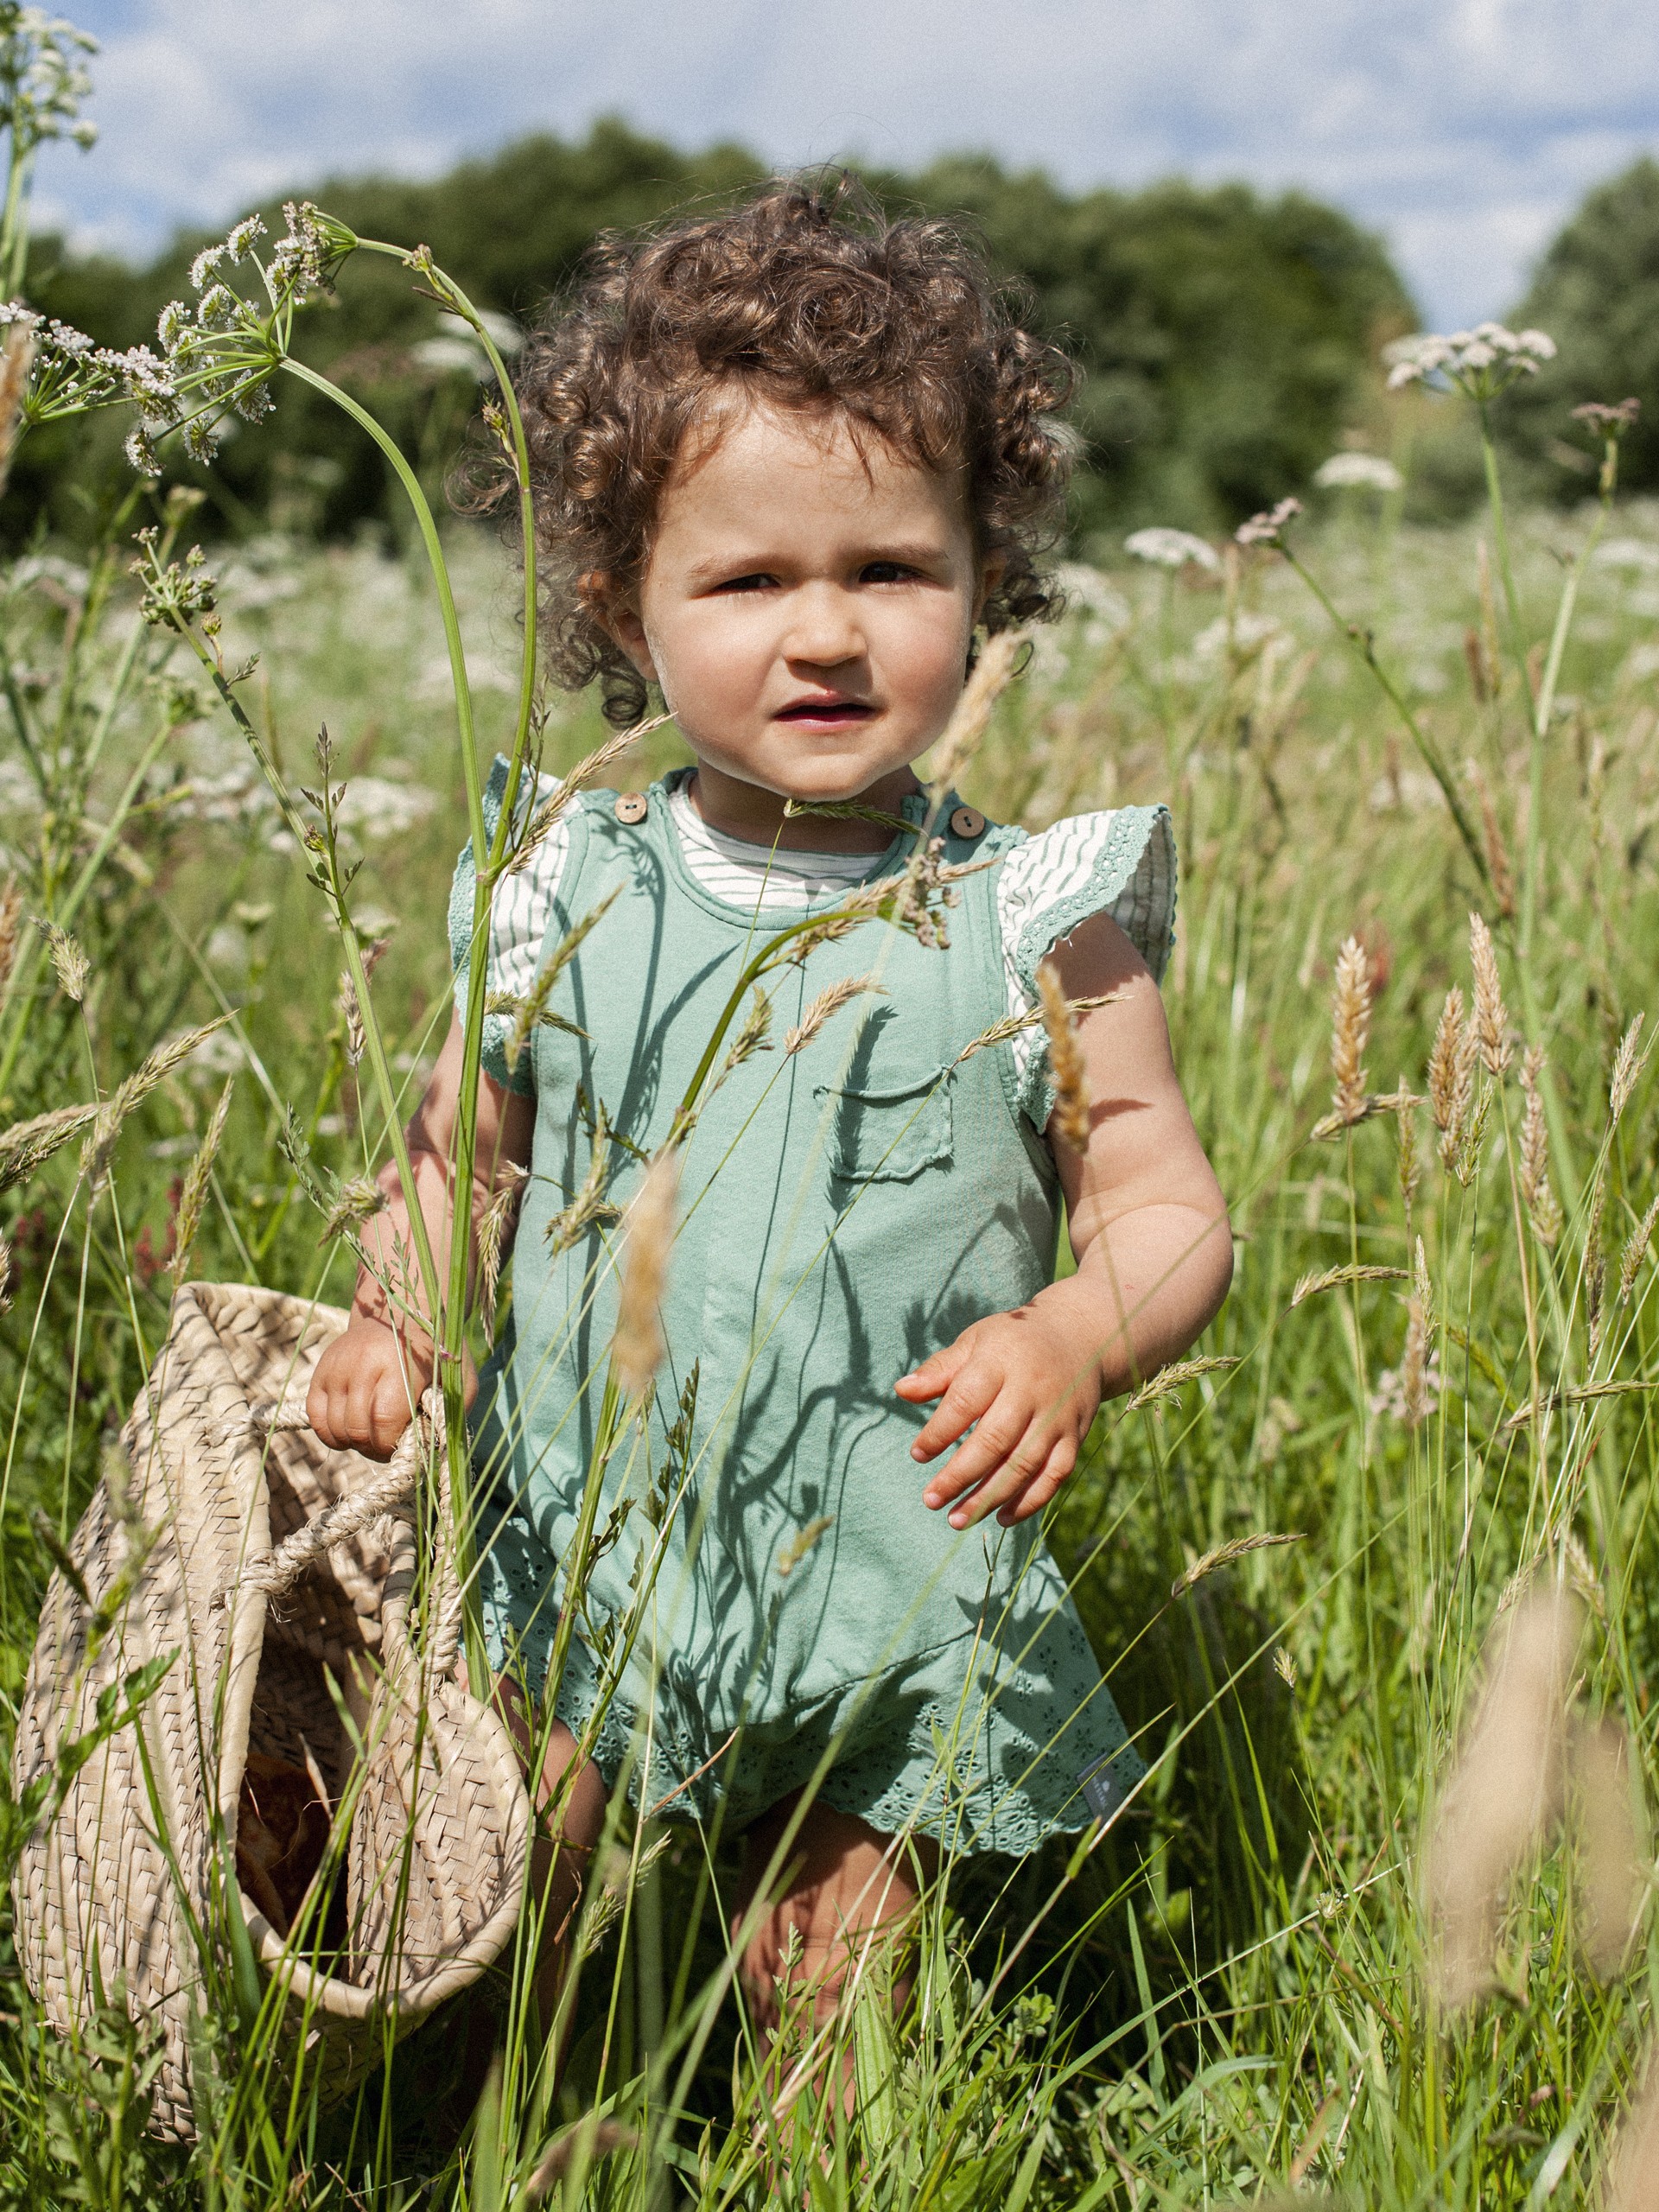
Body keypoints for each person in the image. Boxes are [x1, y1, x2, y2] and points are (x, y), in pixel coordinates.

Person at [308, 179, 1232, 2066]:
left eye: (891, 569)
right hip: (589, 1537)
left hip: (899, 1554)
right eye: (746, 581)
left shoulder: (1033, 905)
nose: (826, 632)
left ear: (988, 574)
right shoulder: (566, 872)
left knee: (834, 1992)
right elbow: (461, 1152)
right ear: (618, 604)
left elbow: (1162, 1197)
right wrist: (396, 1310)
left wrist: (1071, 1331)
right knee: (520, 1933)